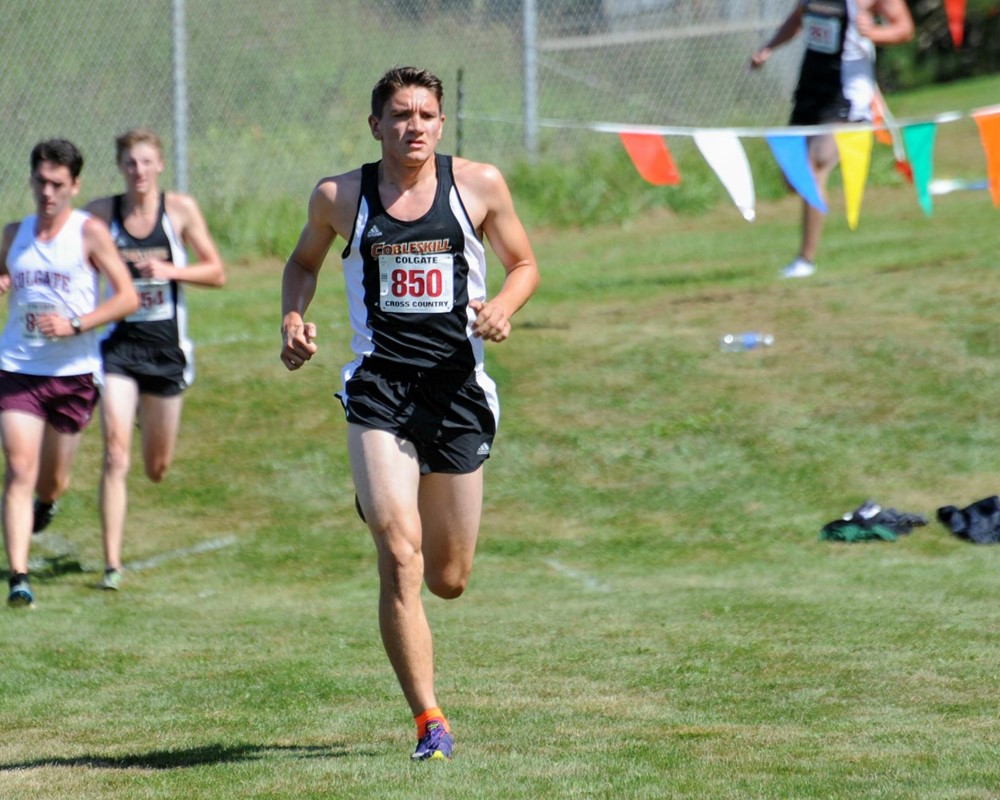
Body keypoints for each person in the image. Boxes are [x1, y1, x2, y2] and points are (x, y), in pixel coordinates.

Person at [280, 66, 540, 761]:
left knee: (448, 580)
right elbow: (302, 263)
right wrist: (292, 317)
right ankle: (429, 721)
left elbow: (523, 264)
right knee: (399, 555)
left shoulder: (478, 185)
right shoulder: (340, 196)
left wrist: (503, 308)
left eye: (426, 114)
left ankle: (385, 500)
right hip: (379, 390)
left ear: (442, 124)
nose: (413, 125)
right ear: (376, 125)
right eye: (399, 114)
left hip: (457, 391)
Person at [84, 128, 225, 591]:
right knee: (115, 454)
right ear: (120, 167)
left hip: (167, 351)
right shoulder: (102, 214)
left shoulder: (179, 210)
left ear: (159, 165)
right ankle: (111, 564)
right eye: (130, 163)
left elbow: (216, 271)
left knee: (156, 468)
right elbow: (66, 253)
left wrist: (170, 270)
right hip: (118, 349)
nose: (138, 171)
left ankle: (148, 417)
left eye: (146, 162)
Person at [0, 139, 139, 608]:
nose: (47, 192)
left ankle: (48, 502)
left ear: (74, 185)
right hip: (18, 366)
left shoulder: (89, 234)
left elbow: (126, 297)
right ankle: (19, 577)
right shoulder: (13, 233)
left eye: (58, 184)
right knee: (19, 468)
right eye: (40, 181)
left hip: (74, 374)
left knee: (51, 479)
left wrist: (75, 323)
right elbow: (4, 274)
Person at [750, 0, 914, 278]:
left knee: (815, 166)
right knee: (793, 179)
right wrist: (769, 47)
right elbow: (797, 19)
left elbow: (905, 29)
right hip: (810, 90)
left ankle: (805, 260)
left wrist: (873, 33)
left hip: (848, 96)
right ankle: (805, 256)